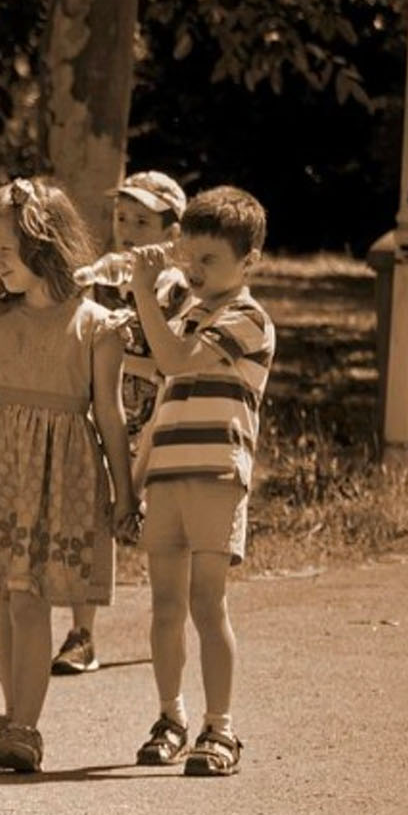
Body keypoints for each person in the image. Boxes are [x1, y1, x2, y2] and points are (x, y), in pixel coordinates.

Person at [0, 179, 139, 773]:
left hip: (65, 469)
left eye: (3, 251)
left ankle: (26, 725)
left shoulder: (97, 325)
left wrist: (124, 491)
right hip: (0, 462)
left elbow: (110, 412)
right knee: (5, 591)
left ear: (44, 244)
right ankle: (13, 715)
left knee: (32, 599)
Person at [128, 186, 274, 777]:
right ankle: (171, 717)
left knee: (206, 604)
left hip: (216, 474)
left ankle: (221, 728)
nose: (193, 270)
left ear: (249, 262)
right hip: (166, 473)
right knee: (165, 606)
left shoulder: (246, 317)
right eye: (189, 257)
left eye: (209, 260)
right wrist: (133, 479)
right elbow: (165, 396)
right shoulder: (187, 314)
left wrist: (142, 295)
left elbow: (175, 361)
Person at [53, 169, 191, 676]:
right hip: (105, 416)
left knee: (161, 531)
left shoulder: (178, 288)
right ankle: (81, 633)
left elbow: (169, 355)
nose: (128, 228)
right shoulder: (100, 282)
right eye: (121, 217)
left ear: (171, 233)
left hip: (160, 422)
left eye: (142, 220)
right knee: (91, 521)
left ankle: (169, 623)